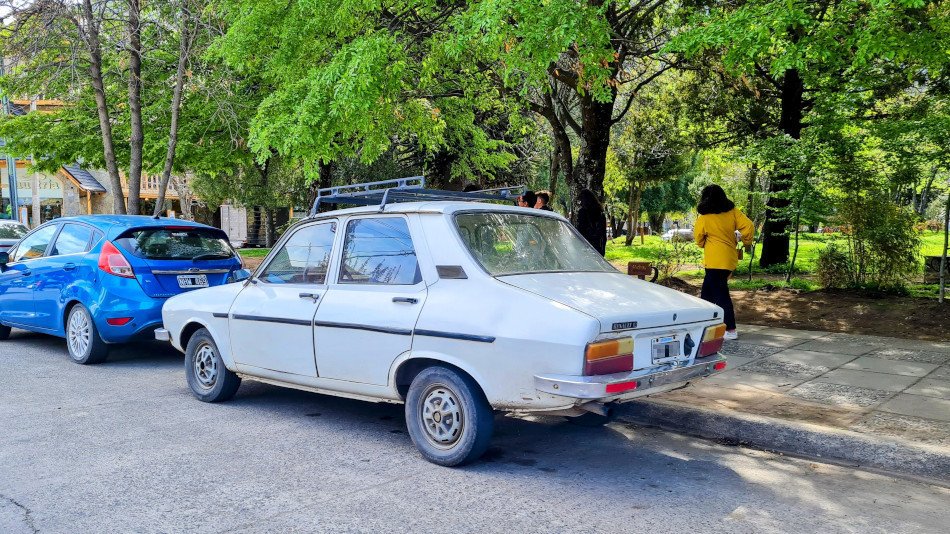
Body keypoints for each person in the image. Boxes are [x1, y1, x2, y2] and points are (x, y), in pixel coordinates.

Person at [694, 184, 754, 340]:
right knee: (707, 293)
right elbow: (749, 226)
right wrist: (746, 241)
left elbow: (699, 240)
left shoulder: (704, 218)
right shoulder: (733, 212)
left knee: (720, 294)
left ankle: (731, 329)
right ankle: (706, 326)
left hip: (714, 260)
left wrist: (705, 242)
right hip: (728, 258)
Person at [576, 189, 607, 256]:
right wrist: (603, 250)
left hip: (585, 247)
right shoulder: (601, 213)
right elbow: (603, 235)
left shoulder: (582, 212)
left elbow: (580, 230)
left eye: (581, 201)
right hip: (598, 248)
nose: (580, 203)